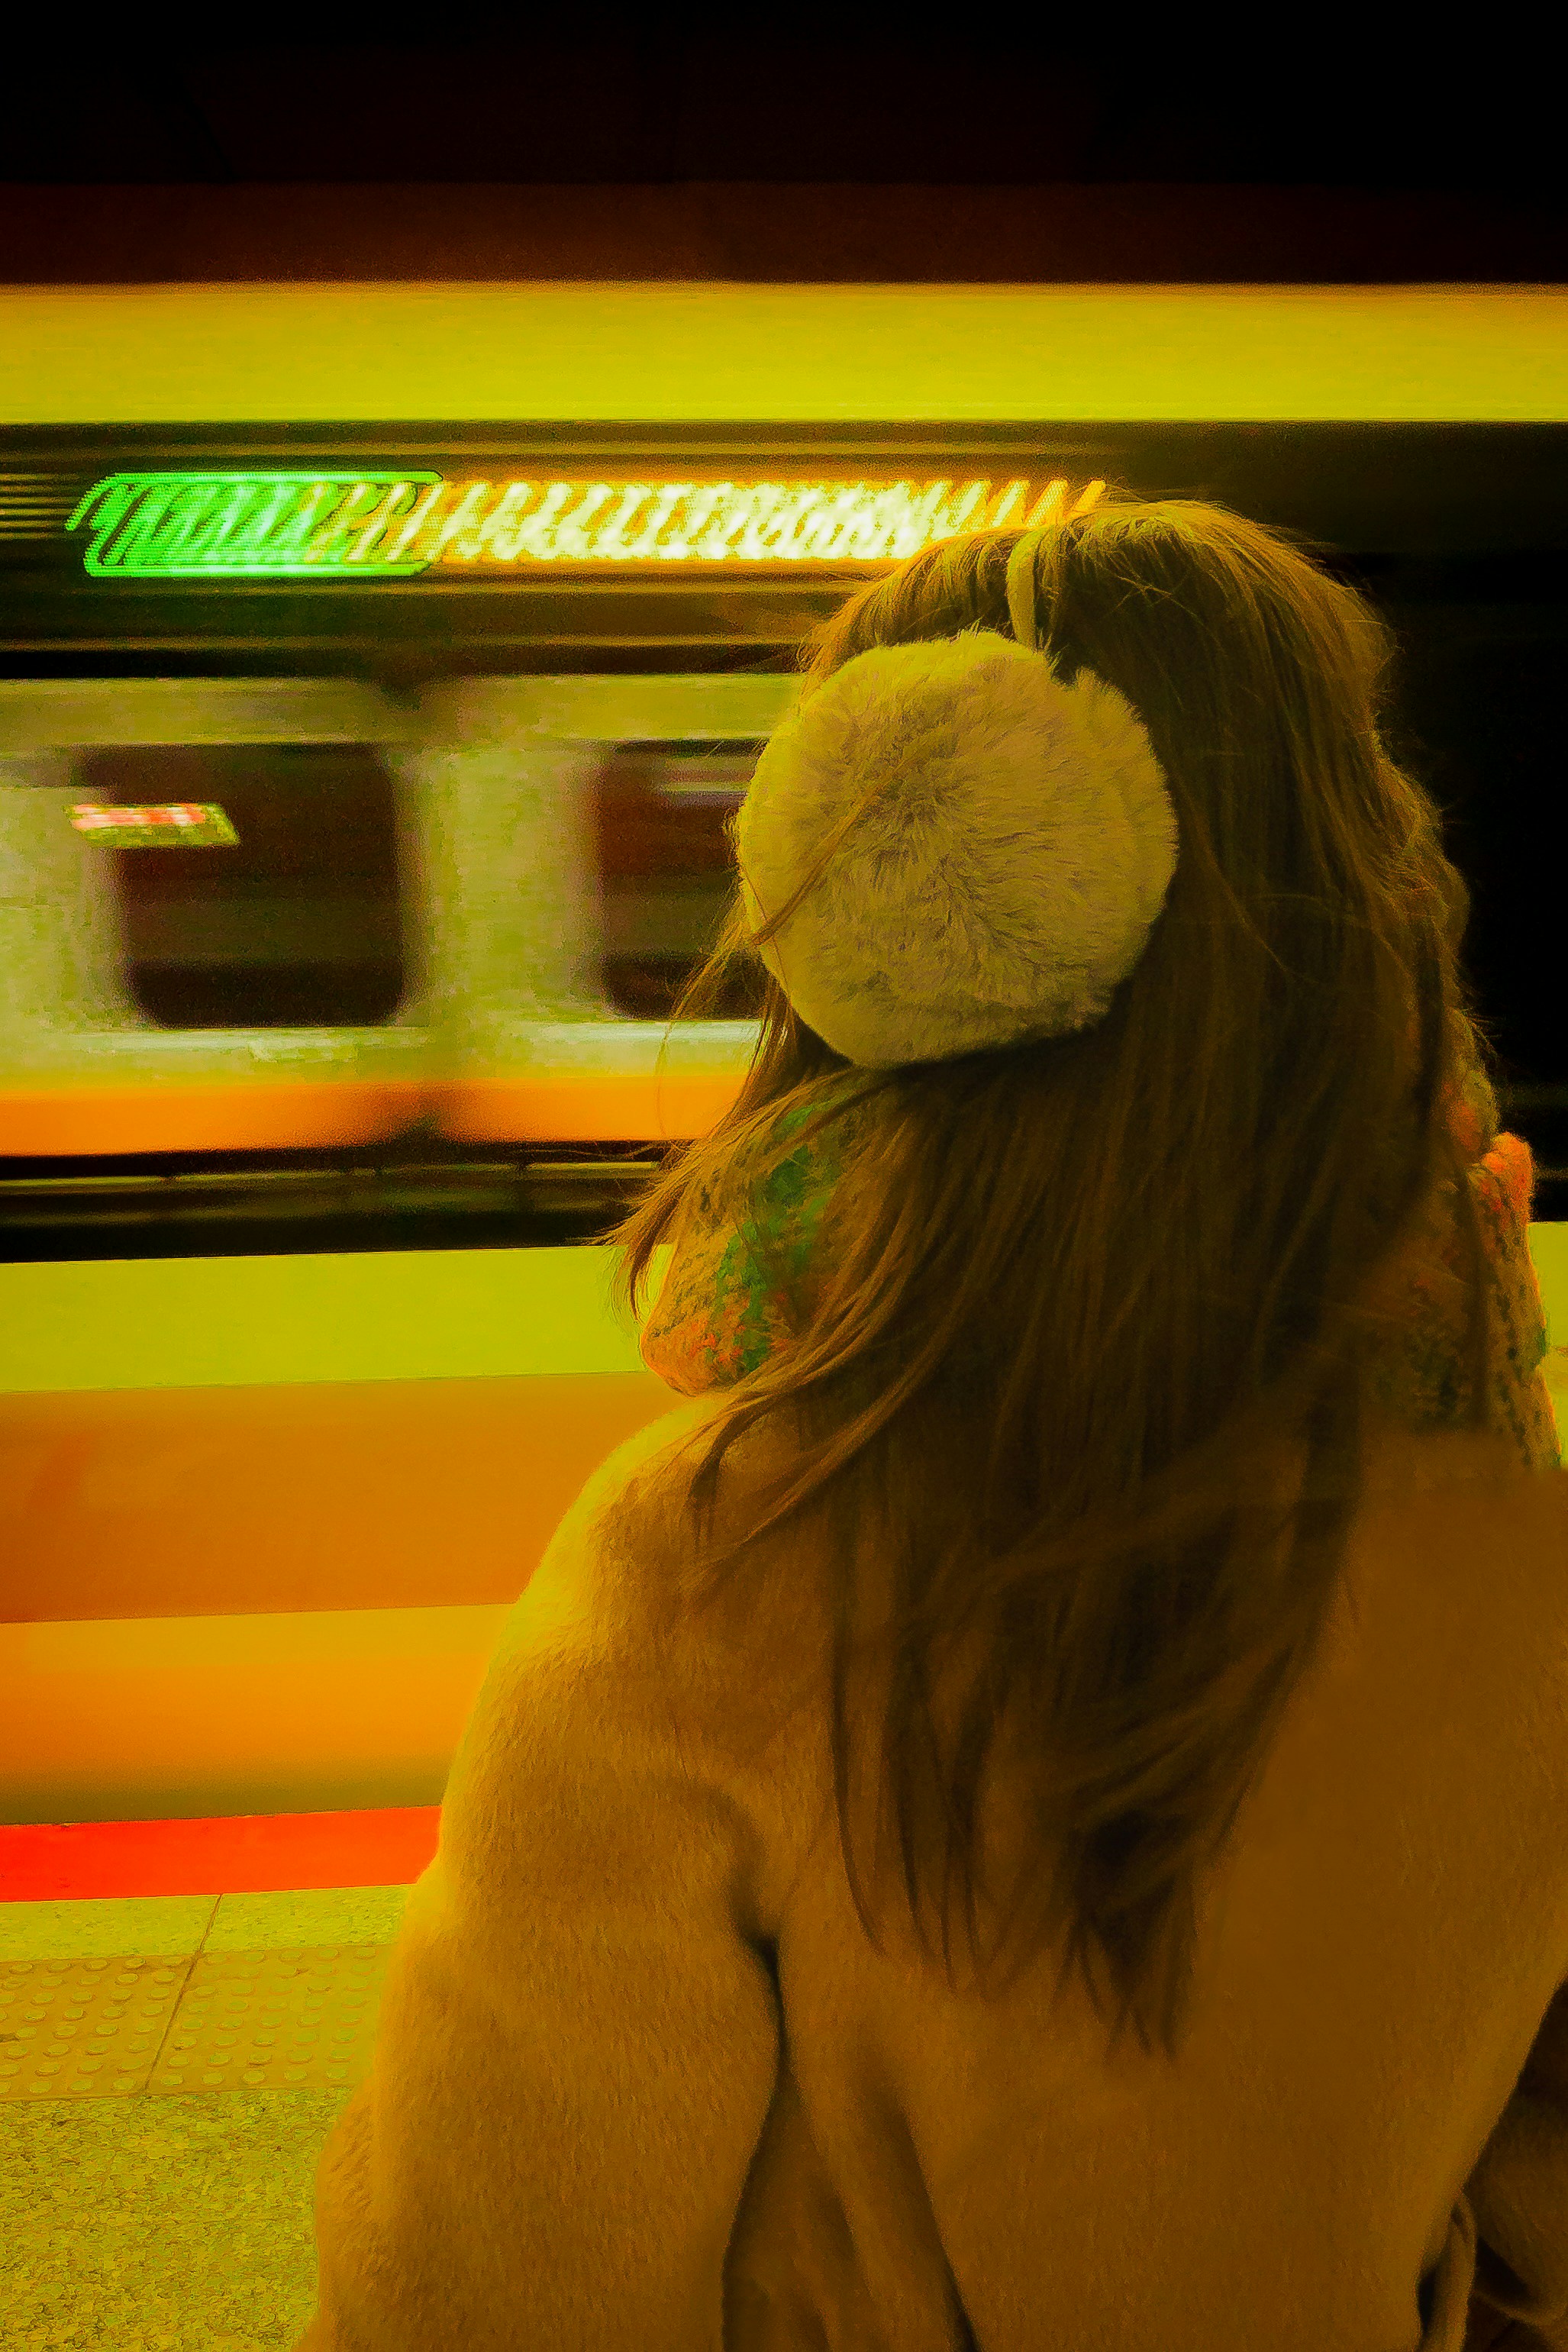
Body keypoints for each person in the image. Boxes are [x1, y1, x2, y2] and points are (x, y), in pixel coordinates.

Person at [292, 500, 1567, 2351]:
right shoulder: (1522, 1560)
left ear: (860, 904)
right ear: (1368, 895)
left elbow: (494, 2289)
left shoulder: (720, 1551)